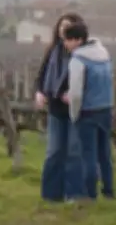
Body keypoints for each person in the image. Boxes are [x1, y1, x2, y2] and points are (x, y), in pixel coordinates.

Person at [33, 12, 85, 202]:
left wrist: (75, 94)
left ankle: (74, 194)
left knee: (74, 152)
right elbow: (41, 75)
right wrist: (40, 92)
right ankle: (51, 195)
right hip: (55, 108)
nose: (64, 30)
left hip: (76, 110)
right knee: (54, 151)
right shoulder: (53, 51)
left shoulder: (83, 53)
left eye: (69, 27)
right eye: (62, 26)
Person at [62, 22, 115, 200]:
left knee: (88, 155)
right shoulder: (104, 54)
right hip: (106, 109)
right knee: (104, 154)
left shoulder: (78, 60)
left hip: (88, 111)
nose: (65, 45)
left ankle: (90, 195)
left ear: (77, 40)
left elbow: (75, 93)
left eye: (67, 40)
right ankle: (109, 191)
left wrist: (74, 114)